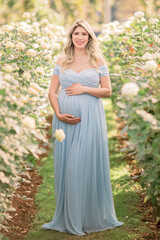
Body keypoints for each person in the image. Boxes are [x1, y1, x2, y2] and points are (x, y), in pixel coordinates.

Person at [42, 19, 124, 236]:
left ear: (89, 37)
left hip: (91, 119)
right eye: (76, 33)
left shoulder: (98, 59)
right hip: (64, 120)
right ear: (71, 37)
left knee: (82, 164)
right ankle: (69, 217)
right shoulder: (62, 60)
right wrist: (58, 113)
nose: (79, 37)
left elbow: (107, 91)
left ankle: (87, 217)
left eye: (84, 34)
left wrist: (85, 89)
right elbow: (52, 91)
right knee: (68, 167)